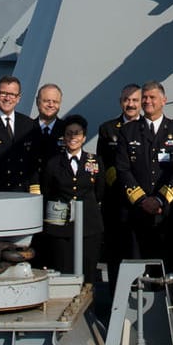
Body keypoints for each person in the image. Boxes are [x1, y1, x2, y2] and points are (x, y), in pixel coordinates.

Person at [114, 81, 173, 308]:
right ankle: (136, 311)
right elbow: (123, 169)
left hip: (167, 212)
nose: (148, 102)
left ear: (164, 100)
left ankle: (167, 311)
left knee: (167, 265)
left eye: (152, 98)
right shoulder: (127, 131)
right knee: (136, 264)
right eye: (145, 98)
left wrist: (160, 199)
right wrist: (141, 200)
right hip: (136, 212)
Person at [37, 114, 103, 275]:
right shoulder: (53, 163)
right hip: (61, 225)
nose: (73, 137)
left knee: (88, 271)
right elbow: (47, 191)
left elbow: (100, 191)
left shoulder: (94, 161)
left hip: (89, 225)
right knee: (63, 269)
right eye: (69, 133)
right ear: (64, 137)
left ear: (84, 137)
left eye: (77, 133)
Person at [97, 84, 143, 285]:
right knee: (116, 252)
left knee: (141, 250)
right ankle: (117, 298)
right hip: (117, 200)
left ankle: (143, 295)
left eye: (134, 100)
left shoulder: (148, 127)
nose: (130, 104)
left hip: (143, 202)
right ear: (120, 102)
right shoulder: (107, 129)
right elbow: (103, 163)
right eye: (127, 100)